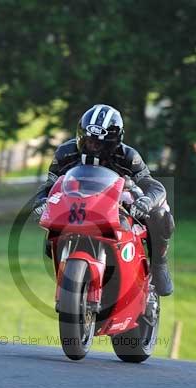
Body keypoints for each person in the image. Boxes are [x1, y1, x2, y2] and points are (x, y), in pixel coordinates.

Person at [32, 104, 174, 296]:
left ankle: (159, 265)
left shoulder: (128, 156)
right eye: (88, 140)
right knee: (50, 246)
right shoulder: (65, 153)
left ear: (114, 142)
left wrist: (146, 201)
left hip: (116, 207)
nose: (92, 146)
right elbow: (49, 186)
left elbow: (153, 185)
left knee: (160, 212)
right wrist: (40, 202)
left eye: (99, 143)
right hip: (75, 208)